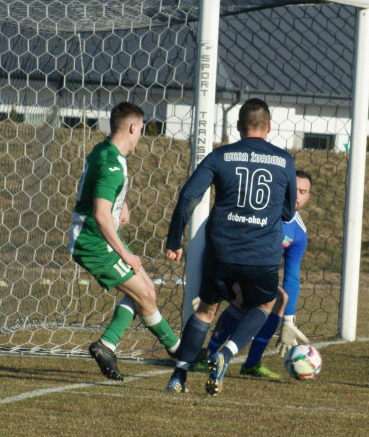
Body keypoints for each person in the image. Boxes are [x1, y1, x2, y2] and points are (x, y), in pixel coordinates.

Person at [164, 98, 297, 396]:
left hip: (221, 251)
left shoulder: (220, 156)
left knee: (206, 311)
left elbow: (188, 197)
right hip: (262, 254)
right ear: (269, 127)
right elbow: (288, 212)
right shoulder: (284, 160)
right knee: (264, 304)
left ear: (238, 127)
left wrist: (175, 240)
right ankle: (226, 354)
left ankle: (178, 376)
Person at [68, 101, 180, 381]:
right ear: (133, 127)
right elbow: (101, 215)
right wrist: (127, 256)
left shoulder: (105, 150)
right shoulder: (112, 164)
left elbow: (101, 192)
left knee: (147, 292)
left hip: (99, 238)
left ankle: (109, 345)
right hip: (94, 243)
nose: (141, 135)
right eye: (141, 129)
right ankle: (178, 352)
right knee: (144, 295)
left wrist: (122, 202)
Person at [195, 170, 313, 379]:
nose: (297, 196)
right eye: (294, 189)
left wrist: (288, 321)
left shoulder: (298, 232)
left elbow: (292, 276)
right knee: (243, 298)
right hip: (230, 264)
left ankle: (252, 363)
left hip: (257, 273)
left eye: (303, 192)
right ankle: (209, 356)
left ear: (308, 196)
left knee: (280, 299)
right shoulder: (261, 211)